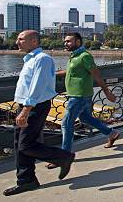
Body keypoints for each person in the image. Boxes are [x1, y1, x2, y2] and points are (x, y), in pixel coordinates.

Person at [3, 30, 75, 196]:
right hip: (26, 106)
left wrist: (26, 110)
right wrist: (21, 108)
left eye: (21, 39)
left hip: (35, 107)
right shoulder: (30, 59)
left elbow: (37, 87)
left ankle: (63, 157)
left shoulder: (42, 59)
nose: (17, 42)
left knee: (26, 145)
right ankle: (26, 180)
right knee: (19, 144)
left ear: (34, 41)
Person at [51, 33, 119, 167]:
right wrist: (54, 74)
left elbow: (96, 74)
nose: (65, 44)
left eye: (68, 41)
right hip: (80, 96)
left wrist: (106, 91)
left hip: (79, 96)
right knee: (86, 119)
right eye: (65, 41)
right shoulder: (75, 56)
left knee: (66, 124)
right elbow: (72, 71)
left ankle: (65, 156)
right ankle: (112, 133)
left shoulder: (85, 56)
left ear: (78, 42)